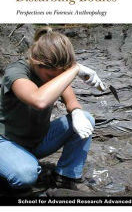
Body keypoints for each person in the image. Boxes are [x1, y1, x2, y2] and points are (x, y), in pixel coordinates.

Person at [0, 26, 105, 193]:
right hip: (6, 141)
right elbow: (39, 100)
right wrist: (75, 69)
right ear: (36, 62)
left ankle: (65, 177)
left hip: (37, 141)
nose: (57, 80)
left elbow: (72, 103)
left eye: (61, 76)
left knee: (86, 118)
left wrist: (76, 112)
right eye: (51, 76)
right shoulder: (17, 71)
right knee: (25, 175)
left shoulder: (54, 73)